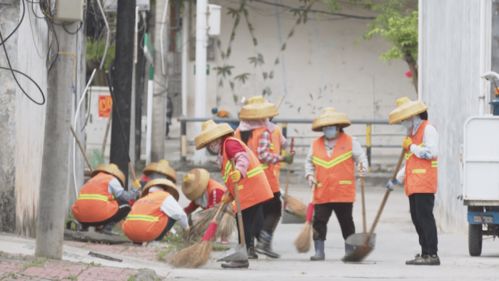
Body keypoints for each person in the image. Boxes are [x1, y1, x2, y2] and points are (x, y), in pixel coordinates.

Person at [194, 120, 273, 269]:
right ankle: (243, 252)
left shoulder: (229, 143)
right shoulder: (223, 151)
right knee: (243, 220)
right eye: (209, 144)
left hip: (252, 188)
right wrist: (229, 194)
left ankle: (243, 256)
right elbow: (231, 177)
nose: (211, 145)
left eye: (213, 141)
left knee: (244, 221)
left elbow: (242, 158)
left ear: (219, 137)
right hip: (246, 189)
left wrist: (239, 171)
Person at [304, 108, 368, 261]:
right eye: (326, 127)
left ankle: (350, 250)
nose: (329, 129)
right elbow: (308, 163)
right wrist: (310, 175)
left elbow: (361, 159)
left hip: (343, 192)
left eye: (331, 126)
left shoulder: (351, 142)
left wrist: (362, 169)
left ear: (338, 127)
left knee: (346, 222)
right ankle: (319, 251)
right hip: (322, 191)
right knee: (319, 221)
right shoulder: (315, 145)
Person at [234, 96, 294, 259]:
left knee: (251, 214)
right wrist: (283, 158)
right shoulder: (265, 132)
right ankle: (264, 241)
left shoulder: (238, 132)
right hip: (265, 179)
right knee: (274, 209)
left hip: (244, 179)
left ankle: (250, 249)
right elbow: (263, 155)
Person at [386, 97, 440, 266]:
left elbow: (431, 153)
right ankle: (424, 253)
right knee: (417, 219)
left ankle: (432, 254)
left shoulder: (428, 129)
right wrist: (396, 180)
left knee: (425, 219)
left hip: (424, 183)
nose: (403, 123)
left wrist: (412, 147)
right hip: (413, 185)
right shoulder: (412, 135)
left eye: (403, 119)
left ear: (412, 117)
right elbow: (410, 162)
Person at [72, 164, 140, 235]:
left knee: (91, 203)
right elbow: (126, 197)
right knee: (126, 207)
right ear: (116, 174)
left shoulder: (90, 180)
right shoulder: (111, 179)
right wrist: (135, 191)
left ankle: (84, 227)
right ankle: (107, 228)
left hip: (81, 217)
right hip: (99, 217)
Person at [122, 178, 189, 243]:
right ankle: (156, 239)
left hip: (129, 233)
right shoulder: (164, 196)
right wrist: (186, 228)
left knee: (161, 213)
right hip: (147, 233)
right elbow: (180, 214)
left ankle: (139, 240)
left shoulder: (142, 199)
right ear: (165, 189)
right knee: (172, 213)